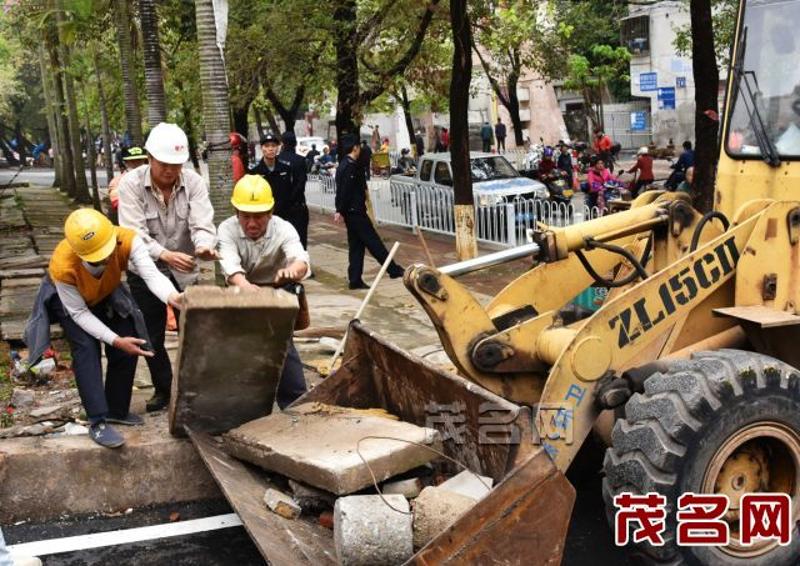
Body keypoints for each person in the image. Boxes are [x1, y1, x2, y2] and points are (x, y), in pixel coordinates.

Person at [26, 209, 183, 447]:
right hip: (72, 302)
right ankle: (97, 420)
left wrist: (172, 296)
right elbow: (79, 313)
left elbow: (150, 275)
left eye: (107, 253)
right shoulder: (63, 266)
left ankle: (116, 409)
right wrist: (114, 340)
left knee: (130, 332)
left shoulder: (127, 239)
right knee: (86, 348)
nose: (105, 259)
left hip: (106, 292)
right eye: (97, 258)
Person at [117, 122, 218, 413]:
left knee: (195, 332)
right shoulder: (130, 185)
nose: (171, 171)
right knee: (150, 335)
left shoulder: (194, 182)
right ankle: (164, 389)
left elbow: (202, 222)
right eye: (164, 164)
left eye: (176, 165)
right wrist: (165, 254)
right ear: (149, 158)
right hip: (144, 269)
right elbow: (133, 233)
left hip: (185, 271)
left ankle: (193, 390)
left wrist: (203, 245)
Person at [217, 176, 309, 408]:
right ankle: (243, 407)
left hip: (278, 294)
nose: (251, 223)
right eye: (245, 216)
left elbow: (301, 259)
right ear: (236, 212)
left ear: (270, 212)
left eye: (258, 216)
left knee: (283, 347)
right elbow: (230, 267)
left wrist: (292, 271)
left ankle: (295, 404)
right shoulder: (226, 229)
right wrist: (249, 290)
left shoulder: (284, 228)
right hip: (242, 291)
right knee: (241, 351)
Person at [334, 134, 405, 289]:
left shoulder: (344, 165)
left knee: (356, 246)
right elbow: (344, 190)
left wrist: (340, 209)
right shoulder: (349, 167)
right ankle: (393, 269)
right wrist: (339, 209)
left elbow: (341, 190)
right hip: (355, 212)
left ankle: (355, 279)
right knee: (373, 242)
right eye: (359, 147)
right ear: (355, 148)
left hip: (351, 212)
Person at [278, 131, 310, 249]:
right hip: (297, 207)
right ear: (295, 143)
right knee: (299, 241)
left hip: (280, 208)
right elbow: (301, 184)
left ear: (282, 144)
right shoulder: (299, 161)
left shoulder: (277, 160)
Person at [107, 146, 148, 218]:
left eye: (140, 160)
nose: (137, 164)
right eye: (133, 161)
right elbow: (117, 204)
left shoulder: (152, 178)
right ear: (125, 163)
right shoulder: (116, 182)